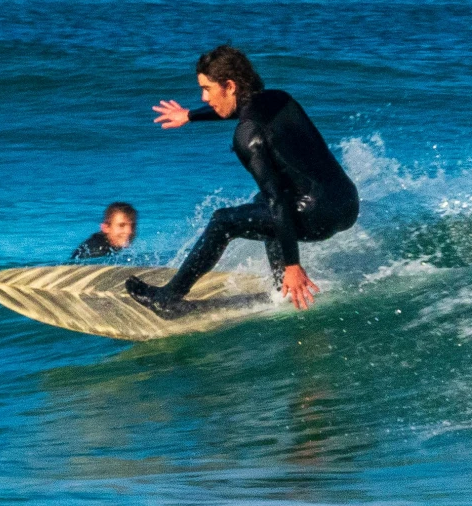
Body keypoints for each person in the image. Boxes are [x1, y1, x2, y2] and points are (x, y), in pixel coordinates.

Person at [129, 45, 358, 316]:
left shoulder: (246, 137)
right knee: (260, 204)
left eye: (207, 89)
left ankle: (168, 297)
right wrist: (190, 115)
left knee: (223, 221)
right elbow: (244, 111)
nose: (204, 97)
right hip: (346, 204)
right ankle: (280, 287)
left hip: (316, 216)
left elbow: (278, 200)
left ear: (229, 85)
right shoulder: (279, 99)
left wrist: (292, 265)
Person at [71, 202, 137, 260]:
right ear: (106, 228)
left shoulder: (110, 247)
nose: (129, 231)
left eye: (133, 226)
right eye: (121, 225)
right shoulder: (95, 251)